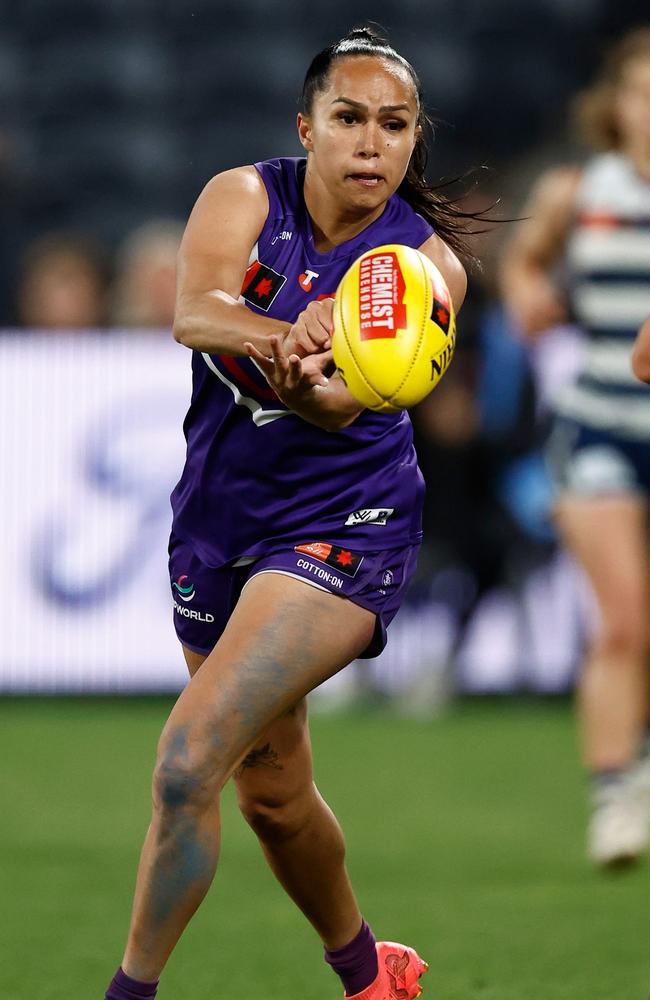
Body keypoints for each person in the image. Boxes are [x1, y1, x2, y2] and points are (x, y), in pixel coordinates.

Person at [103, 25, 468, 1000]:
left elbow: (341, 405)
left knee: (188, 762)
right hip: (220, 520)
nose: (368, 143)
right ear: (306, 125)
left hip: (346, 527)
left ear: (410, 140)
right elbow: (195, 310)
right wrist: (285, 332)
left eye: (392, 125)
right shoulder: (241, 196)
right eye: (347, 118)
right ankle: (370, 973)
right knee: (270, 791)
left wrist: (315, 372)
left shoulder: (424, 273)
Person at [500, 27, 650, 867]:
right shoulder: (577, 188)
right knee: (624, 619)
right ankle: (613, 798)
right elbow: (524, 264)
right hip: (599, 419)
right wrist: (528, 297)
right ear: (616, 103)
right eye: (642, 90)